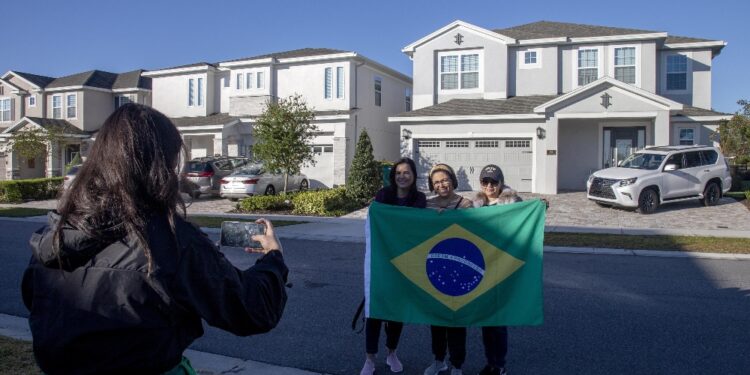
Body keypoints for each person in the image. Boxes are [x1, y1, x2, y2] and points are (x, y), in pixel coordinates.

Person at [21, 104, 288, 374]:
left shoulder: (56, 235)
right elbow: (251, 310)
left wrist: (199, 262)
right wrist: (273, 259)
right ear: (162, 164)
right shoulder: (172, 242)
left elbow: (37, 302)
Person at [361, 157, 427, 375]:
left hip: (405, 265)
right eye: (398, 172)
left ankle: (392, 353)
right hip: (382, 262)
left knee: (396, 312)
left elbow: (417, 227)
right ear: (393, 176)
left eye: (406, 172)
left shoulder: (419, 199)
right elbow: (375, 219)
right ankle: (370, 358)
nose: (402, 176)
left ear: (414, 176)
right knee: (374, 311)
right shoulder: (383, 195)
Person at [424, 164, 472, 375]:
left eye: (445, 180)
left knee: (456, 321)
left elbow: (473, 233)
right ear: (432, 186)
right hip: (435, 268)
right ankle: (438, 360)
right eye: (436, 182)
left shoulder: (465, 204)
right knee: (436, 320)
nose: (441, 184)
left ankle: (457, 365)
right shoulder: (426, 205)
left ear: (452, 180)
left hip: (459, 268)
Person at [475, 164, 522, 375]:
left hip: (503, 269)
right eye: (485, 182)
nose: (489, 186)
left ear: (501, 183)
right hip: (481, 269)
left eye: (494, 182)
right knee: (486, 321)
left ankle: (500, 364)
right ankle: (490, 362)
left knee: (498, 321)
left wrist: (540, 207)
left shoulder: (512, 203)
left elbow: (526, 220)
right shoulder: (475, 205)